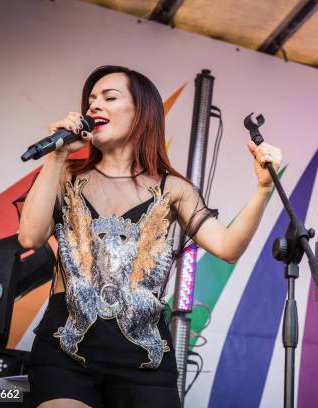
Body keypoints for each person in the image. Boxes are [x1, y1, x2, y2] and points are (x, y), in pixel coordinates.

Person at [18, 65, 282, 408]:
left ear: (142, 112)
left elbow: (228, 248)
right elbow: (30, 236)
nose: (94, 106)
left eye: (109, 98)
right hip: (67, 351)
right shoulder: (65, 173)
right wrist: (57, 156)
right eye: (91, 100)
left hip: (144, 360)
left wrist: (263, 188)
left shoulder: (173, 189)